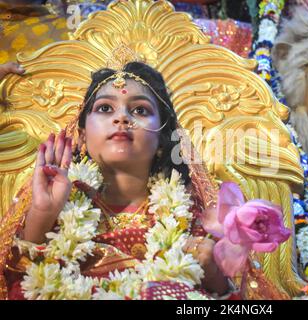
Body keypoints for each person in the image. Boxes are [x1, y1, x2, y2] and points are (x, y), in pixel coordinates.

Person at [0, 60, 233, 299]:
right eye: (104, 108)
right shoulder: (58, 204)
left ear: (162, 140)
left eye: (140, 110)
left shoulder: (194, 213)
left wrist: (214, 275)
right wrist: (42, 213)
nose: (122, 117)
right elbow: (15, 286)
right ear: (81, 137)